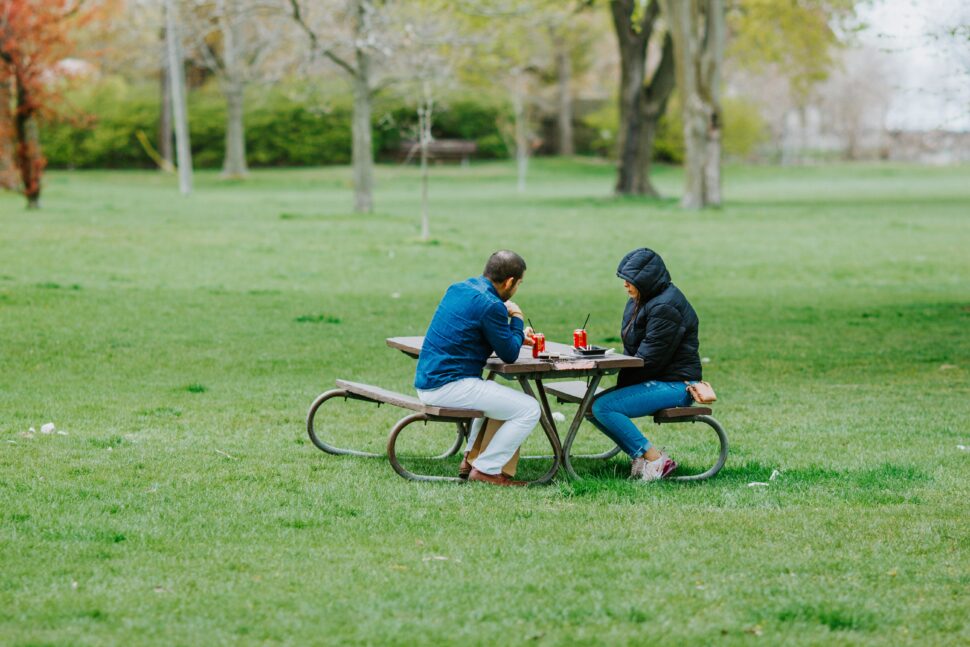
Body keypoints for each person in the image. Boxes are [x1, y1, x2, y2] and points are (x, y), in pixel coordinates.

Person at [414, 250, 540, 487]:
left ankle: (470, 459)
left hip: (429, 380)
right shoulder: (492, 305)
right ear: (510, 281)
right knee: (529, 409)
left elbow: (478, 332)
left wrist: (513, 335)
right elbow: (510, 355)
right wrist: (517, 317)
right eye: (519, 283)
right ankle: (487, 470)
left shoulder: (458, 289)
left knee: (493, 392)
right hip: (448, 385)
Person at [588, 248, 702, 481]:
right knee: (590, 408)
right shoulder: (640, 300)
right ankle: (640, 456)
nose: (625, 285)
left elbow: (649, 360)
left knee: (604, 407)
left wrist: (620, 379)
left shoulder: (665, 306)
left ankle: (657, 460)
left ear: (647, 280)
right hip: (656, 378)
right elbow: (636, 352)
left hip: (677, 385)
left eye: (631, 280)